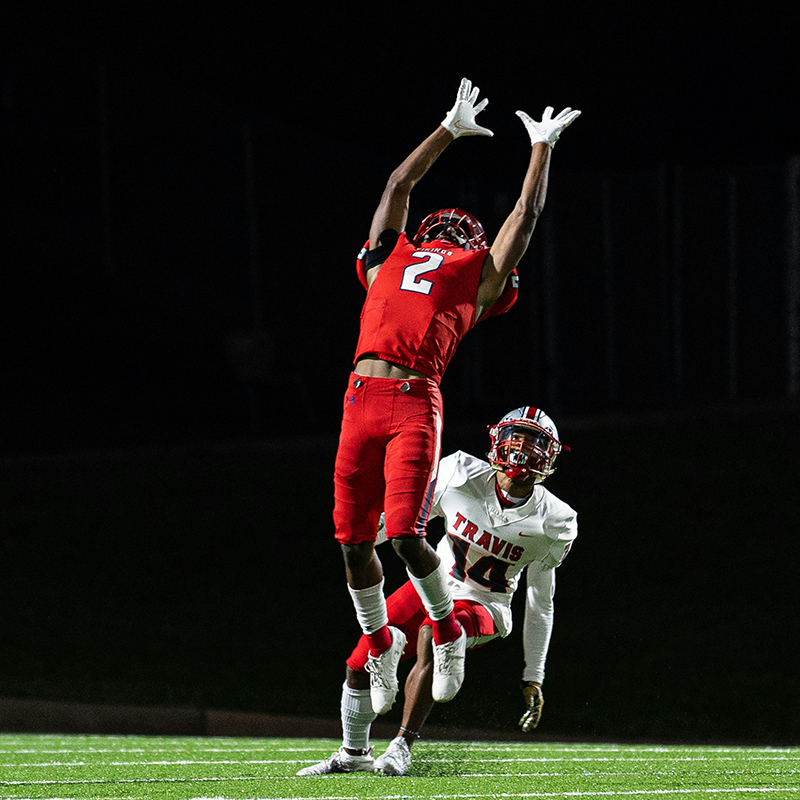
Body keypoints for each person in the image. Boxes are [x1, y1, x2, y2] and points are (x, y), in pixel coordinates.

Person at [333, 77, 580, 720]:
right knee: (356, 543)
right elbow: (396, 188)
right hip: (360, 393)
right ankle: (380, 650)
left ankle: (445, 638)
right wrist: (447, 129)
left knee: (405, 534)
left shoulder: (476, 279)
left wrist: (541, 151)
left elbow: (523, 220)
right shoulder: (392, 256)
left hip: (414, 394)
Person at [300, 406, 578, 777]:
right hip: (431, 586)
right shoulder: (460, 472)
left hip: (486, 604)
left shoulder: (557, 519)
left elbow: (540, 601)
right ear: (497, 439)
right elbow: (407, 526)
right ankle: (353, 752)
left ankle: (402, 745)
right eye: (517, 436)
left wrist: (534, 674)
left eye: (534, 441)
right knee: (359, 662)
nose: (521, 448)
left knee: (436, 633)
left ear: (550, 454)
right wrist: (361, 539)